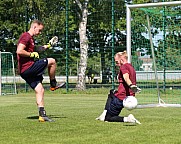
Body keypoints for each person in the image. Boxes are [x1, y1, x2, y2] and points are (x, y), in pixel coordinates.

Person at [16, 20, 65, 122]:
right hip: (28, 67)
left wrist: (48, 45)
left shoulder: (31, 39)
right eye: (40, 30)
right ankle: (53, 84)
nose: (40, 33)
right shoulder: (26, 36)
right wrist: (31, 55)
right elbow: (19, 51)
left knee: (40, 90)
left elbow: (37, 48)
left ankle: (42, 115)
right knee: (52, 61)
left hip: (24, 71)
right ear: (34, 27)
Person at [96, 51, 141, 124]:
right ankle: (104, 113)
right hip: (129, 97)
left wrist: (131, 85)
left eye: (117, 62)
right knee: (112, 92)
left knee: (108, 118)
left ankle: (128, 119)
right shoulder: (131, 67)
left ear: (122, 60)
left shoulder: (123, 67)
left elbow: (126, 77)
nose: (116, 64)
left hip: (121, 98)